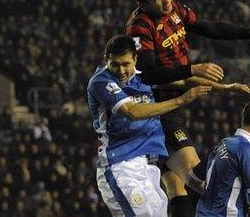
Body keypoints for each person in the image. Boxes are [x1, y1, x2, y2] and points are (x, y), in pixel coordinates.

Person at [125, 0, 250, 216]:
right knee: (197, 181)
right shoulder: (139, 27)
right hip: (157, 108)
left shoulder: (174, 9)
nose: (166, 1)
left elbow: (207, 27)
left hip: (175, 100)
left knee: (175, 183)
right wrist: (193, 68)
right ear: (143, 4)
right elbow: (147, 74)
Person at [87, 35, 215, 216]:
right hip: (121, 167)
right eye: (114, 64)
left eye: (125, 64)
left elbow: (184, 81)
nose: (121, 70)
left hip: (148, 168)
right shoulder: (101, 82)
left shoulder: (141, 77)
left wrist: (227, 87)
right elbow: (132, 112)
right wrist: (180, 100)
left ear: (135, 60)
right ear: (105, 60)